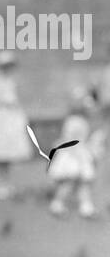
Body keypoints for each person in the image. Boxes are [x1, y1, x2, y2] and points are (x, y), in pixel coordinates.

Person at [48, 88, 100, 218]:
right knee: (69, 182)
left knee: (84, 182)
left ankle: (86, 206)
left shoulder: (82, 122)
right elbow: (69, 139)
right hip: (72, 155)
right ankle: (57, 204)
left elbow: (83, 139)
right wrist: (77, 154)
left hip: (80, 154)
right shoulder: (73, 122)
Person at [0, 51, 32, 200]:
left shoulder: (9, 80)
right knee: (0, 153)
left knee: (7, 155)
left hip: (10, 119)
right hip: (1, 118)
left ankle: (6, 183)